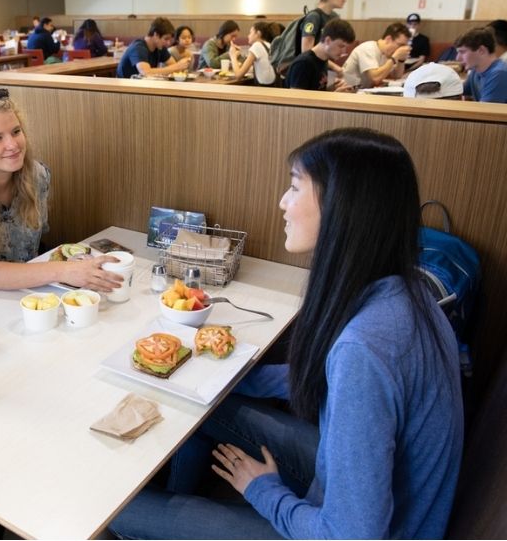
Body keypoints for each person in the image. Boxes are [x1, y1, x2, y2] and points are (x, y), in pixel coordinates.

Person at [110, 127, 464, 540]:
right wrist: (229, 373)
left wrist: (265, 492)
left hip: (352, 528)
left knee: (118, 508)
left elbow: (351, 535)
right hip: (346, 490)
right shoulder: (401, 294)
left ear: (341, 208)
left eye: (295, 188)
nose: (282, 202)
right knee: (204, 399)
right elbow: (329, 380)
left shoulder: (366, 347)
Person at [0, 89, 123, 310]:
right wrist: (65, 271)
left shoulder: (37, 176)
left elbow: (33, 253)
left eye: (16, 131)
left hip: (20, 299)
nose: (13, 144)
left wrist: (77, 266)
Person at [285, 18, 355, 91]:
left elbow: (315, 91)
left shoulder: (323, 60)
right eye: (341, 46)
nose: (344, 52)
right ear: (327, 41)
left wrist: (333, 88)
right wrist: (334, 95)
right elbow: (296, 99)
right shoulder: (303, 63)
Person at [299, 0, 348, 74]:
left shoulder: (335, 17)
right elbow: (306, 52)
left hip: (323, 68)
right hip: (309, 69)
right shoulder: (314, 17)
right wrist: (335, 67)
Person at [341, 22, 411, 89]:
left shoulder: (387, 53)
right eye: (400, 45)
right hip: (348, 93)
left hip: (362, 92)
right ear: (388, 39)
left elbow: (396, 76)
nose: (401, 49)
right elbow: (376, 78)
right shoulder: (368, 48)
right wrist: (394, 57)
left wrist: (401, 60)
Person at [117, 17, 191, 79]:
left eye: (169, 39)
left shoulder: (159, 47)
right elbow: (146, 72)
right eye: (166, 39)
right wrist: (177, 67)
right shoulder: (138, 47)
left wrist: (180, 65)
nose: (168, 43)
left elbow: (173, 65)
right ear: (156, 35)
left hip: (142, 87)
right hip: (124, 89)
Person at [456, 27, 507, 104]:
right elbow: (458, 91)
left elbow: (486, 113)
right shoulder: (475, 70)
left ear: (481, 50)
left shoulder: (499, 74)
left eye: (462, 52)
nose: (457, 58)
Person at [229, 21, 276, 86]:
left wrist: (233, 56)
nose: (248, 36)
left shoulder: (257, 46)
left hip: (263, 90)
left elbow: (238, 75)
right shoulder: (269, 45)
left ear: (258, 33)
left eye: (250, 32)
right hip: (274, 87)